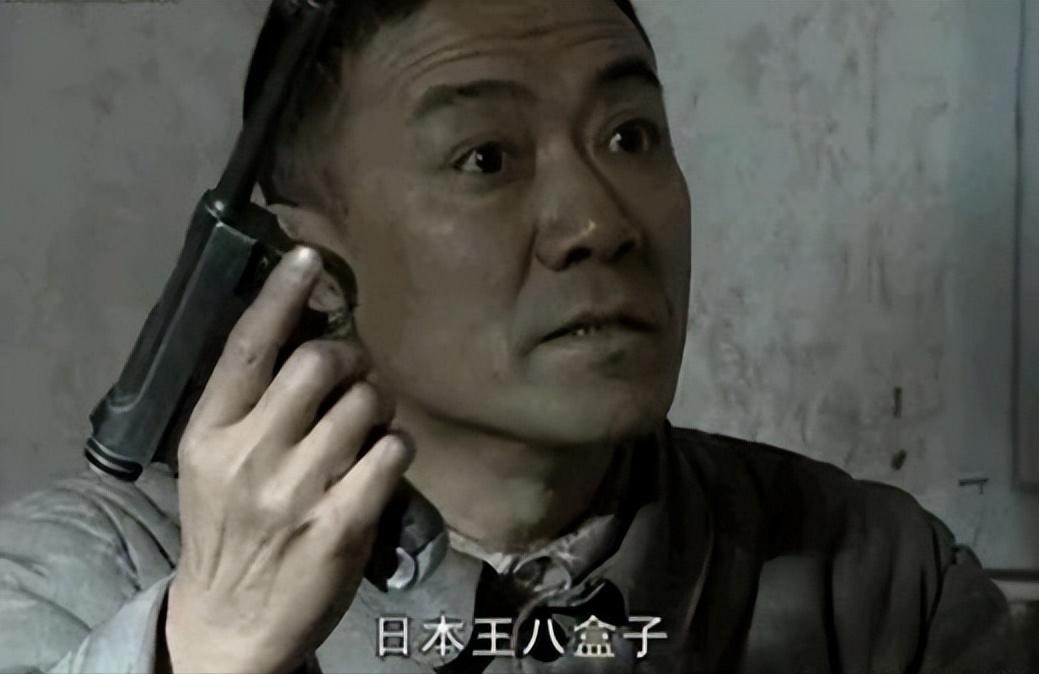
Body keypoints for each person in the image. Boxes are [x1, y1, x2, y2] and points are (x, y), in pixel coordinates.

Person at [0, 1, 1028, 672]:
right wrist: (209, 644)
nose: (599, 223)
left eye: (629, 136)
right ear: (307, 260)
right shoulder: (86, 574)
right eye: (485, 158)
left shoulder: (882, 584)